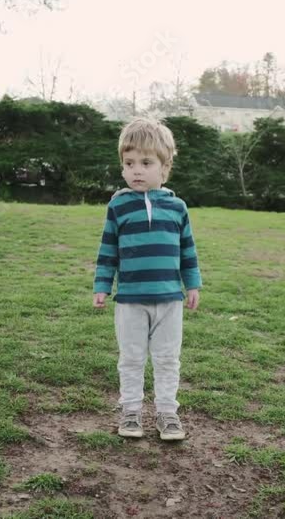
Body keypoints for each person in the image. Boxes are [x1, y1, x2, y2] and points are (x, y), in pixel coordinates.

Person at [92, 118, 201, 441]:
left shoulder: (177, 207)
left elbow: (188, 250)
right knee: (131, 358)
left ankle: (167, 413)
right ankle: (131, 412)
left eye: (146, 163)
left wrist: (192, 284)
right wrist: (102, 285)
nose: (136, 171)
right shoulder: (118, 206)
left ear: (164, 167)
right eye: (129, 163)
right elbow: (107, 250)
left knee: (167, 359)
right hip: (130, 300)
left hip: (170, 300)